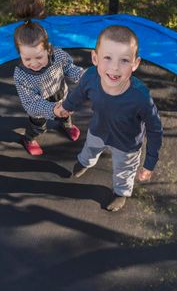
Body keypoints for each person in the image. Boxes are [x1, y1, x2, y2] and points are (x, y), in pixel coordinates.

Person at [57, 25, 163, 212]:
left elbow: (155, 129)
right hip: (98, 130)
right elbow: (79, 94)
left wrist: (150, 162)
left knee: (124, 171)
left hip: (127, 144)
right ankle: (84, 163)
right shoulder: (90, 77)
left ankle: (121, 192)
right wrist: (66, 107)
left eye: (124, 60)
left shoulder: (140, 97)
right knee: (89, 150)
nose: (114, 67)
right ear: (95, 58)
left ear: (135, 64)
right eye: (107, 58)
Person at [13, 0, 83, 156]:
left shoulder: (58, 55)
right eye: (27, 58)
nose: (34, 63)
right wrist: (53, 109)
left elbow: (70, 68)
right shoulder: (21, 74)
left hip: (62, 96)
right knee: (39, 127)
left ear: (48, 49)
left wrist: (83, 77)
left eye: (39, 57)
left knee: (67, 117)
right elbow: (30, 103)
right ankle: (29, 139)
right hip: (40, 107)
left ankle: (66, 125)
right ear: (19, 54)